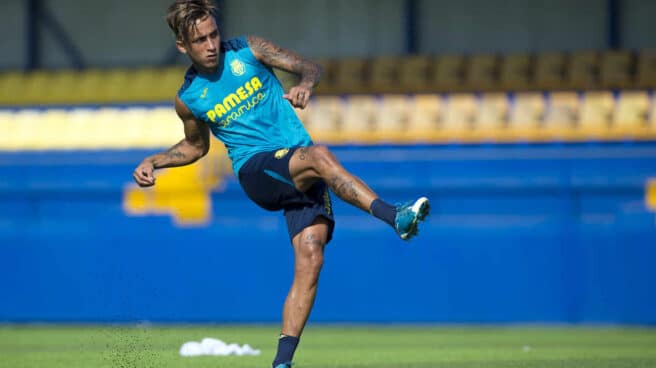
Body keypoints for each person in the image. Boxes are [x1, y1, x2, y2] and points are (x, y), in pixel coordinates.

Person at [132, 1, 430, 367]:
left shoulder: (249, 50)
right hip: (258, 171)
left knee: (311, 258)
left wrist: (305, 84)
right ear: (183, 46)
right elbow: (196, 146)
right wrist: (154, 161)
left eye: (213, 35)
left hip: (298, 166)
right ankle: (395, 216)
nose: (210, 45)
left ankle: (281, 363)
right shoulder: (189, 98)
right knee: (321, 157)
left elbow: (310, 67)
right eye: (200, 40)